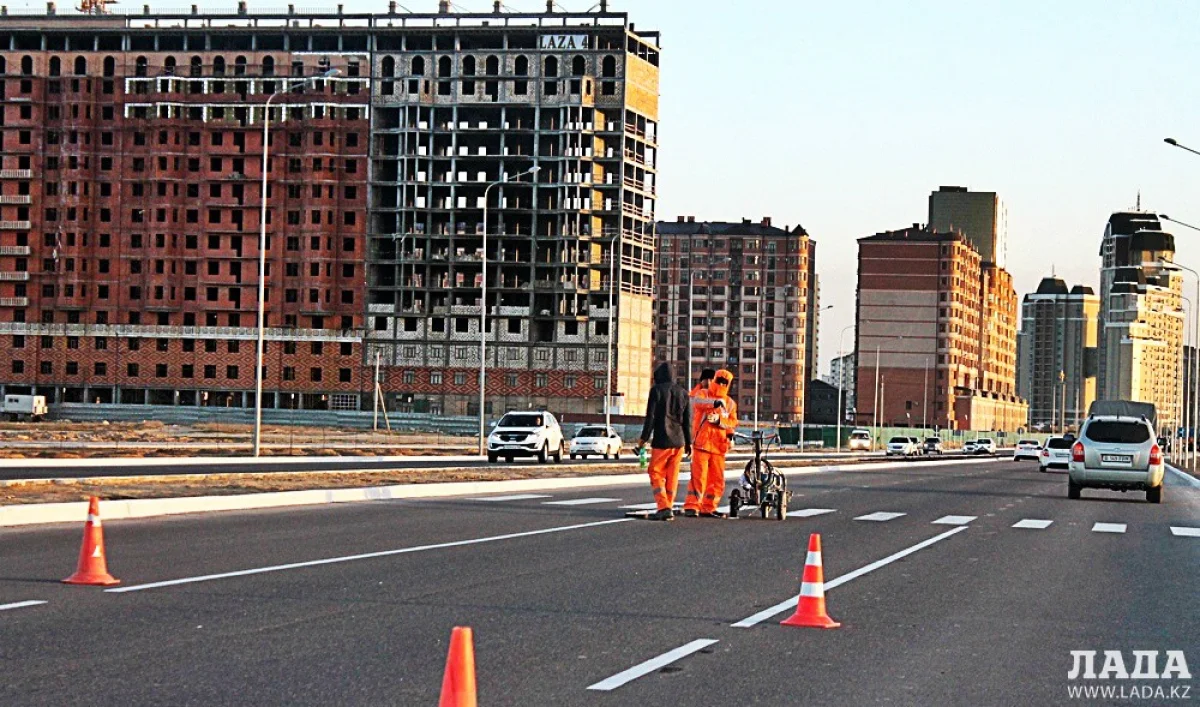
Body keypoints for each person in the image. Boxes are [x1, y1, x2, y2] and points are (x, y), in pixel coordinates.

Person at [635, 362, 693, 521]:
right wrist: (689, 442)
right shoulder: (683, 393)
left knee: (655, 472)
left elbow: (650, 418)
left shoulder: (656, 391)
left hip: (662, 440)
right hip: (679, 441)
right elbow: (688, 421)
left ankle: (663, 507)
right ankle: (669, 505)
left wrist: (643, 439)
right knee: (672, 475)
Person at [684, 369, 738, 518]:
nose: (721, 384)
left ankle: (708, 506)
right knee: (698, 477)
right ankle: (692, 506)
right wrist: (714, 403)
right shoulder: (704, 394)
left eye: (724, 382)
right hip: (702, 444)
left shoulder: (730, 404)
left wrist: (725, 428)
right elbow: (697, 402)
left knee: (717, 481)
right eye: (719, 380)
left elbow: (732, 422)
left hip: (719, 447)